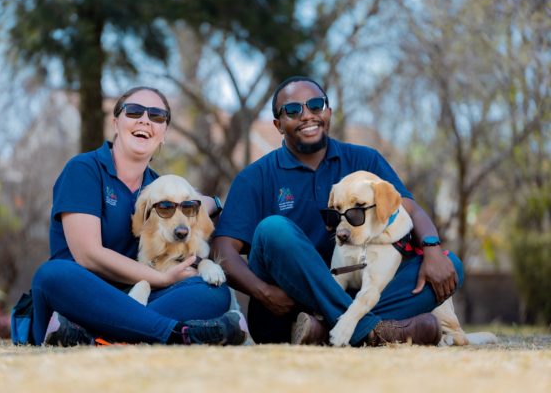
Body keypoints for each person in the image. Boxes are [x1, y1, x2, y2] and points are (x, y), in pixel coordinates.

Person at [211, 76, 462, 346]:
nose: (308, 115)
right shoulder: (256, 177)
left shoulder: (364, 160)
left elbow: (409, 209)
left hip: (358, 292)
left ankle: (324, 330)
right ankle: (371, 330)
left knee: (452, 265)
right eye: (294, 110)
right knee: (274, 229)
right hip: (286, 311)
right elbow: (223, 251)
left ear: (328, 112)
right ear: (278, 124)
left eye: (316, 105)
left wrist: (433, 247)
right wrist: (263, 293)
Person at [27, 86, 248, 346]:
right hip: (79, 297)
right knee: (52, 274)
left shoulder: (161, 187)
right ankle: (179, 333)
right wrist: (162, 279)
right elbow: (87, 254)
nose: (145, 119)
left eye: (156, 116)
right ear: (115, 122)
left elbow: (191, 223)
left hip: (139, 298)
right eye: (134, 112)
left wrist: (209, 203)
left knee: (214, 292)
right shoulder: (84, 169)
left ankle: (96, 338)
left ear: (163, 134)